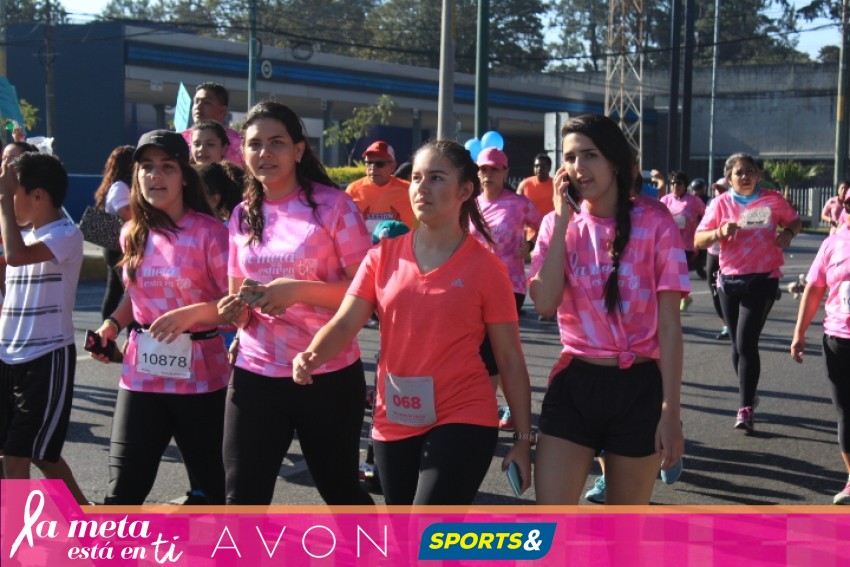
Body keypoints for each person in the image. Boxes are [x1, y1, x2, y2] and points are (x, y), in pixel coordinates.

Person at [293, 139, 532, 504]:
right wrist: (312, 354)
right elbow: (344, 324)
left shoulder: (488, 269)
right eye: (417, 177)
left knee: (426, 524)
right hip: (395, 415)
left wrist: (523, 439)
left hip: (463, 412)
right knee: (406, 531)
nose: (422, 187)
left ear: (465, 191)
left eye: (437, 178)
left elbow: (509, 357)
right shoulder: (381, 257)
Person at [216, 101, 374, 505]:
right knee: (242, 498)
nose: (265, 153)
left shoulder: (334, 206)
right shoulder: (242, 214)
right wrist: (235, 311)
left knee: (341, 493)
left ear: (299, 150)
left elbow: (367, 291)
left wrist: (296, 290)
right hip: (255, 372)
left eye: (277, 143)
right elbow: (238, 294)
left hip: (327, 372)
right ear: (243, 152)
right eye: (255, 144)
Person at [530, 114, 687, 505]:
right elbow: (545, 303)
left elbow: (670, 326)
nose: (578, 167)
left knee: (624, 529)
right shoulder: (554, 225)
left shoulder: (657, 225)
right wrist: (563, 220)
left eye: (590, 155)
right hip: (575, 384)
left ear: (614, 161)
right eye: (570, 157)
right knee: (551, 519)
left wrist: (670, 413)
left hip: (639, 387)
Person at [91, 130, 229, 505]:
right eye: (147, 167)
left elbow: (237, 307)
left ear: (184, 176)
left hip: (201, 381)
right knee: (122, 493)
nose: (155, 176)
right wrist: (112, 325)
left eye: (167, 167)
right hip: (141, 376)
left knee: (215, 492)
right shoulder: (130, 232)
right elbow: (133, 296)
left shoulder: (211, 233)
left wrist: (195, 313)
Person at [0, 151, 88, 504]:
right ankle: (83, 516)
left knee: (16, 455)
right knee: (40, 455)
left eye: (14, 192)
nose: (8, 199)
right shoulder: (21, 235)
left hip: (46, 356)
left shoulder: (66, 234)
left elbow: (17, 255)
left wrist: (5, 200)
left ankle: (15, 535)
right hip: (8, 355)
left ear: (38, 195)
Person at [695, 153, 802, 433]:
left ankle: (745, 408)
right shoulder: (720, 203)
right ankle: (749, 392)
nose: (745, 176)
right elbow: (698, 238)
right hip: (730, 280)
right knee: (736, 344)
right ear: (729, 177)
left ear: (758, 175)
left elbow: (794, 221)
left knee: (746, 342)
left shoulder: (772, 199)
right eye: (739, 172)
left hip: (763, 279)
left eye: (750, 171)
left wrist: (788, 233)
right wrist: (719, 232)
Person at [472, 147, 542, 430]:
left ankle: (482, 414)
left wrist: (531, 245)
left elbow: (544, 225)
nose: (488, 174)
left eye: (494, 169)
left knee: (489, 349)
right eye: (483, 169)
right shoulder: (470, 204)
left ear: (505, 172)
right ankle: (512, 407)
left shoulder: (518, 204)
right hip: (474, 286)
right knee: (494, 350)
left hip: (508, 285)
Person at [792, 183, 850, 504]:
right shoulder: (833, 243)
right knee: (846, 412)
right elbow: (815, 288)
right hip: (839, 340)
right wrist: (799, 332)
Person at [93, 145, 135, 320]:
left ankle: (110, 325)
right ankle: (114, 326)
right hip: (117, 246)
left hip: (117, 246)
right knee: (126, 290)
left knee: (117, 289)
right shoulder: (120, 186)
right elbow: (125, 211)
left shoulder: (119, 185)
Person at [346, 141, 416, 232]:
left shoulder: (409, 190)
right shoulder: (353, 190)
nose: (373, 168)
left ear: (393, 166)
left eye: (379, 164)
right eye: (369, 163)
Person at [661, 170, 706, 310]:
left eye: (679, 183)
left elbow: (707, 215)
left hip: (688, 244)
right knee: (672, 272)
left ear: (685, 185)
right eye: (672, 183)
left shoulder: (694, 201)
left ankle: (684, 297)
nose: (675, 185)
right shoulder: (665, 200)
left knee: (680, 270)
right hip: (670, 243)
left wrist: (701, 228)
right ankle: (684, 297)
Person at [180, 82, 244, 167]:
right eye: (196, 102)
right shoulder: (179, 140)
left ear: (222, 111)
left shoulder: (241, 144)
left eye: (206, 102)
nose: (198, 107)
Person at [707, 178, 730, 340]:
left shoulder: (736, 206)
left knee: (729, 292)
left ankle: (734, 324)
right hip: (712, 253)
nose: (718, 192)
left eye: (722, 189)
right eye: (717, 189)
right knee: (714, 291)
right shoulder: (711, 205)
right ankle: (726, 325)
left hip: (730, 256)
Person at [517, 153, 555, 235]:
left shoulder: (556, 185)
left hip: (551, 232)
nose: (539, 169)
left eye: (543, 166)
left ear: (549, 168)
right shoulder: (525, 184)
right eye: (536, 166)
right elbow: (516, 208)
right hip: (529, 235)